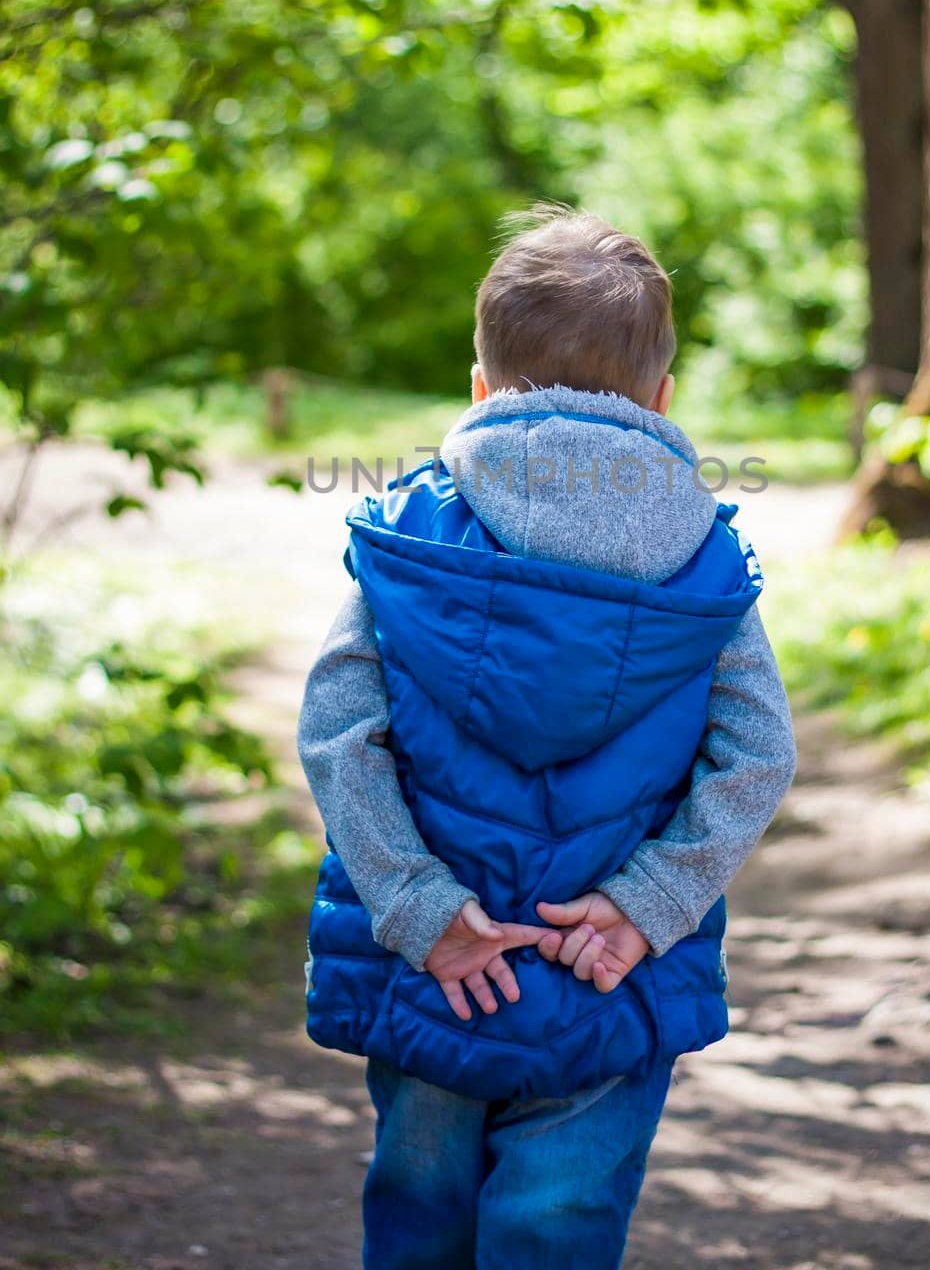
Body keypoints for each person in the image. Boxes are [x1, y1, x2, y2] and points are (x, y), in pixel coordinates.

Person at [297, 206, 796, 1269]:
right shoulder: (702, 560)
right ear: (661, 400)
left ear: (478, 387)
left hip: (443, 955)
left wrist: (416, 905)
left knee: (420, 1202)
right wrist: (646, 901)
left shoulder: (411, 530)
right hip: (602, 961)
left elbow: (340, 729)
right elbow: (757, 754)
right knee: (557, 1225)